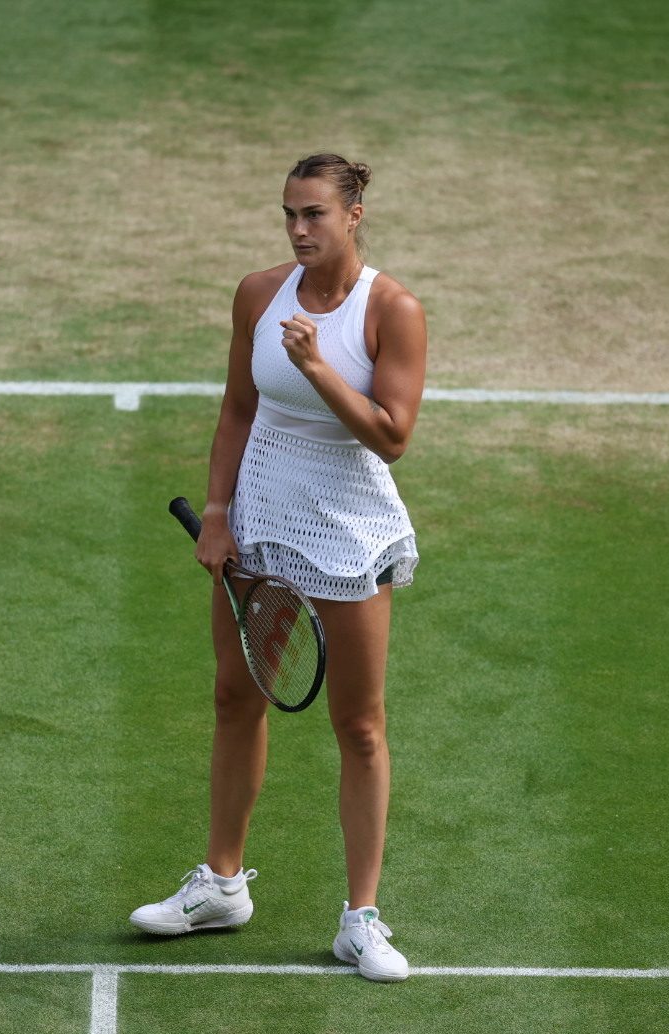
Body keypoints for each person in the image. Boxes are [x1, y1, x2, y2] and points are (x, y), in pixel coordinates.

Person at [129, 153, 427, 983]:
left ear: (354, 216)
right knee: (236, 696)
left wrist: (318, 367)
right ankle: (222, 884)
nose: (298, 229)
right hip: (260, 518)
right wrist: (218, 514)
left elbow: (392, 436)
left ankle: (360, 921)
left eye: (315, 215)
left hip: (349, 529)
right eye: (289, 214)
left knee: (359, 726)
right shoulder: (258, 294)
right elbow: (236, 408)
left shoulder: (392, 310)